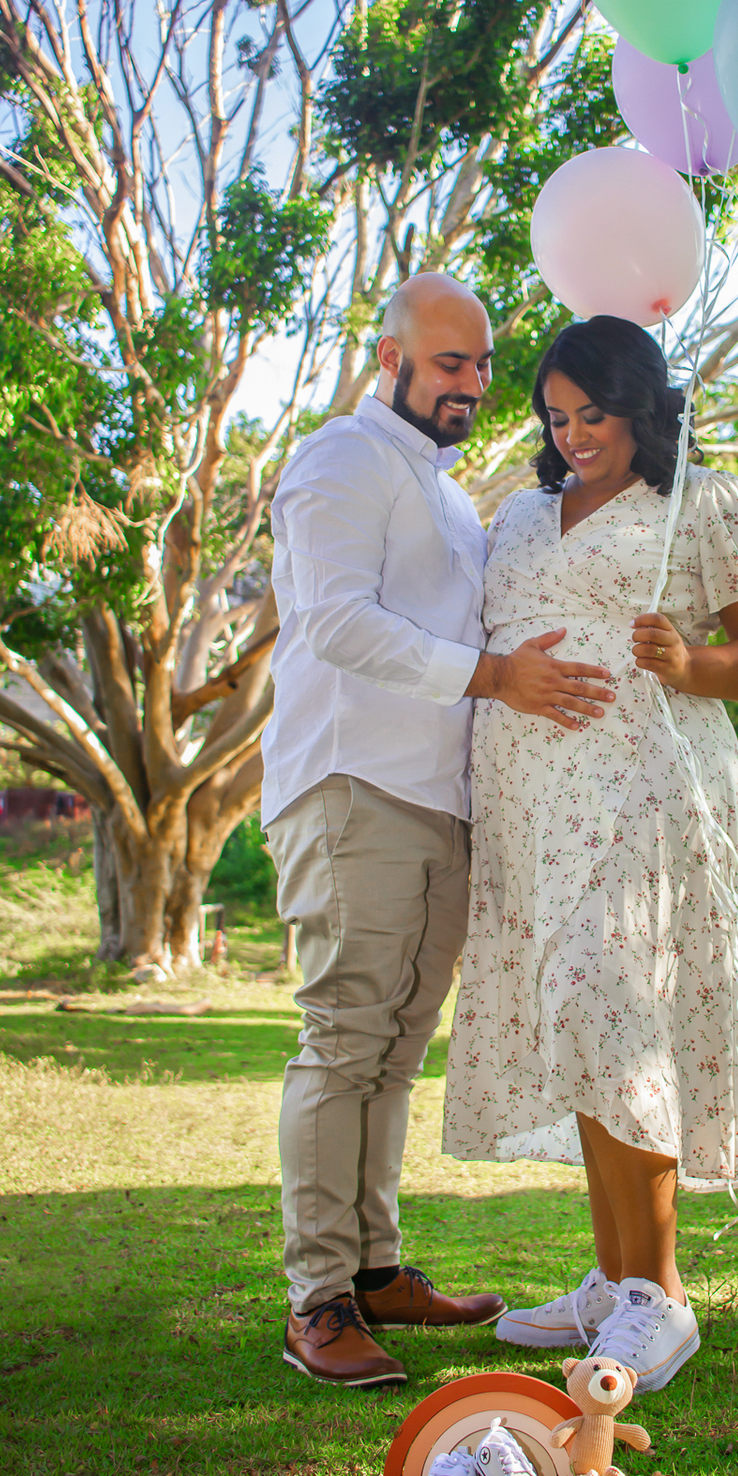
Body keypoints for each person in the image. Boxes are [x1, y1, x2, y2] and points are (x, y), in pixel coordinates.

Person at [262, 273, 616, 1390]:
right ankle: (318, 1300)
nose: (468, 383)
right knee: (344, 1042)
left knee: (395, 1053)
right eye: (447, 362)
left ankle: (376, 1273)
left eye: (478, 364)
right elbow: (332, 622)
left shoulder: (452, 496)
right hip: (352, 785)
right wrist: (493, 675)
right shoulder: (342, 460)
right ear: (390, 361)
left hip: (436, 802)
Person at [443, 315, 738, 1392]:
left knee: (617, 1017)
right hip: (528, 814)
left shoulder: (703, 501)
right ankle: (610, 1282)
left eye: (592, 415)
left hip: (640, 801)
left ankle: (659, 1295)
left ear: (638, 405)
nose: (574, 436)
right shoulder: (516, 513)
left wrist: (693, 662)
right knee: (577, 1027)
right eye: (557, 417)